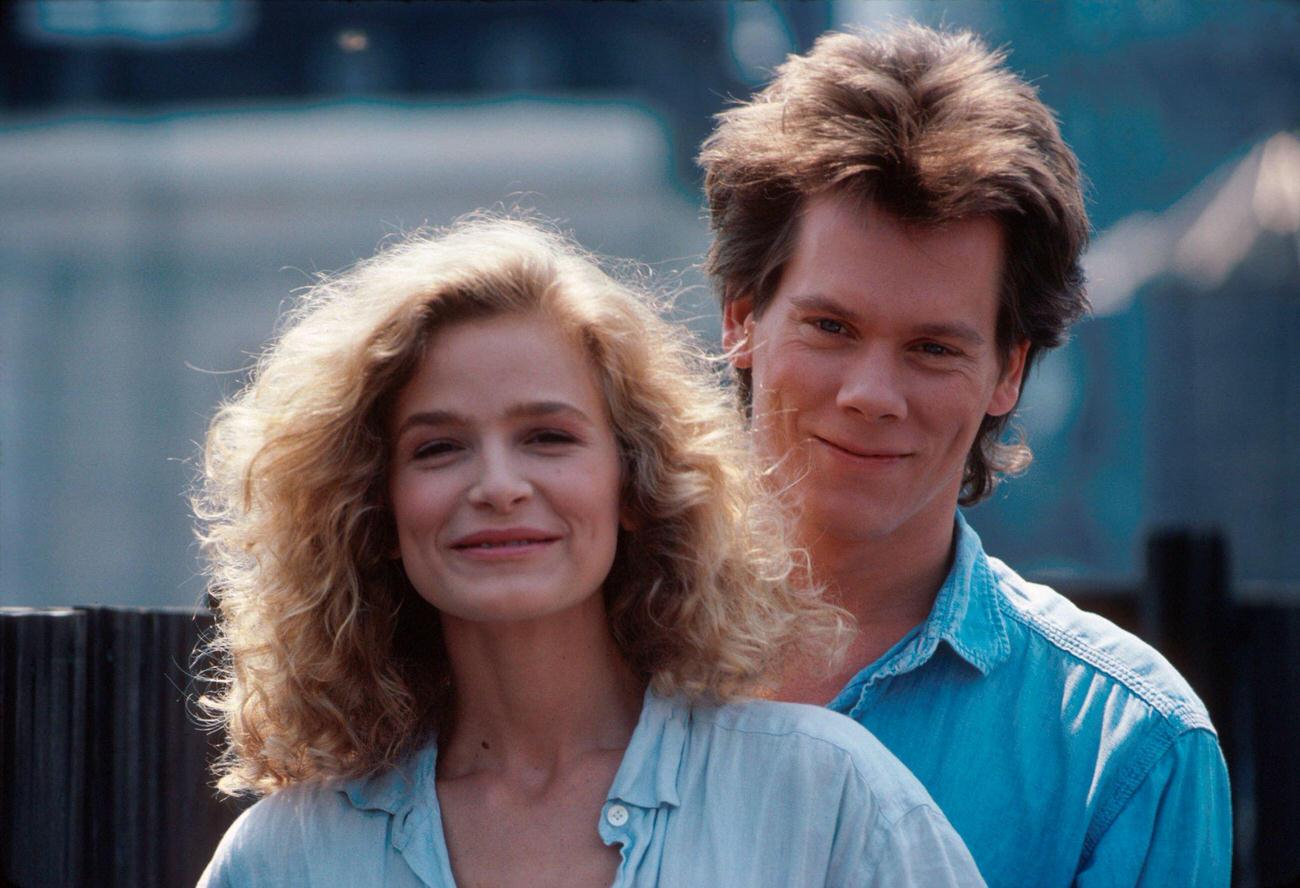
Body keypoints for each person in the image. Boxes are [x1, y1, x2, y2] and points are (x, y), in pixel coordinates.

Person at [192, 216, 983, 886]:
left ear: (637, 485)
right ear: (373, 508)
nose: (497, 485)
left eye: (548, 437)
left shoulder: (826, 799)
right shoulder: (286, 858)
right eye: (438, 449)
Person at [699, 22, 1231, 888]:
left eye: (933, 349)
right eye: (831, 327)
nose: (873, 391)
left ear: (1008, 371)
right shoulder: (582, 658)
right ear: (740, 319)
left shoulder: (1126, 748)